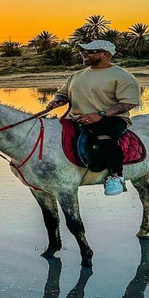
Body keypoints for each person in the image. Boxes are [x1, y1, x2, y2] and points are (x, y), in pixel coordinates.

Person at [46, 40, 141, 196]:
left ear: (105, 54)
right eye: (82, 51)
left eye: (90, 51)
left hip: (112, 119)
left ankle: (116, 176)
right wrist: (57, 101)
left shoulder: (122, 76)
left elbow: (128, 103)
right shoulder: (76, 75)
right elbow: (63, 94)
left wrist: (101, 115)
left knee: (102, 136)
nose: (84, 54)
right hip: (77, 118)